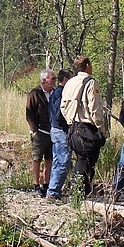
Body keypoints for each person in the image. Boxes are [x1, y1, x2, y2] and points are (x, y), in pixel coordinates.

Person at [60, 56, 106, 196]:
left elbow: (63, 106)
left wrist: (70, 120)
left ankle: (79, 193)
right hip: (87, 128)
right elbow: (95, 108)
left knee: (81, 160)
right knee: (86, 163)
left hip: (73, 128)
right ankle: (78, 194)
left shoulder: (70, 82)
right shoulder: (90, 83)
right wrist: (101, 130)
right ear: (87, 66)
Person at [25, 69, 56, 195]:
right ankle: (36, 184)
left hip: (52, 131)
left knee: (50, 159)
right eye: (52, 79)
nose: (54, 81)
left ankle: (46, 184)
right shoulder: (35, 93)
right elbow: (29, 113)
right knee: (37, 158)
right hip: (40, 132)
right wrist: (34, 130)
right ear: (44, 80)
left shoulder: (55, 94)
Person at [45, 69, 73, 200]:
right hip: (59, 131)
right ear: (66, 80)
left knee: (57, 161)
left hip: (55, 130)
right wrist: (67, 126)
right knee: (63, 161)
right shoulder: (61, 93)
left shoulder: (56, 93)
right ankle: (53, 191)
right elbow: (58, 114)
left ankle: (53, 189)